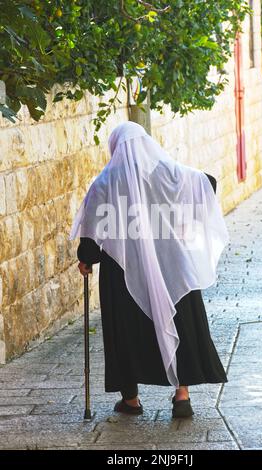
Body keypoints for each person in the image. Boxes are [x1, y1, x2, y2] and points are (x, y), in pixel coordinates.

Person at [70, 121, 230, 418]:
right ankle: (182, 396)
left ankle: (130, 400)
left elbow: (92, 230)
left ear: (116, 147)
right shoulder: (170, 173)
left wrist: (86, 258)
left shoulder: (104, 183)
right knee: (179, 322)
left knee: (126, 330)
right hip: (172, 265)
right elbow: (207, 182)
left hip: (123, 272)